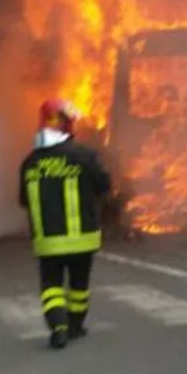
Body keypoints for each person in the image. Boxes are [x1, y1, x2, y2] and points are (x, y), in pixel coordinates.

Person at [19, 99, 112, 349]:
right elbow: (105, 186)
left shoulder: (30, 162)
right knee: (79, 286)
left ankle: (57, 328)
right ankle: (75, 326)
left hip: (48, 241)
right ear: (68, 124)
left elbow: (23, 200)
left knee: (52, 287)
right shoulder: (84, 156)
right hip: (83, 238)